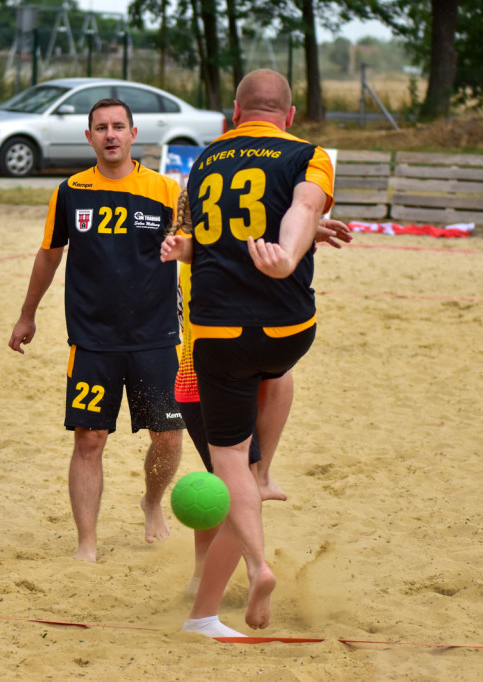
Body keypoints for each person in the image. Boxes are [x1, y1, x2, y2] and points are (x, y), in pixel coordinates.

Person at [161, 69, 334, 632]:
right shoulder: (308, 154)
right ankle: (261, 478)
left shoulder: (205, 161)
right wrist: (292, 252)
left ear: (234, 114)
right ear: (290, 115)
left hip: (215, 338)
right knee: (276, 372)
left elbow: (225, 232)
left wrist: (294, 243)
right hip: (288, 328)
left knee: (230, 466)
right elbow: (301, 208)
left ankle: (252, 566)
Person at [8, 98, 185, 563]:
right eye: (101, 127)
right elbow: (49, 254)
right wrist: (27, 314)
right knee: (89, 440)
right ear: (89, 137)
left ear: (133, 134)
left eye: (118, 126)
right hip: (92, 339)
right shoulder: (70, 191)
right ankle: (86, 542)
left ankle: (152, 501)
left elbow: (194, 249)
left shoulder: (166, 190)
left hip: (156, 336)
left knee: (168, 437)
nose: (110, 134)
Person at [174, 184, 351, 637]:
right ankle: (204, 615)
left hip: (203, 381)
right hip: (208, 381)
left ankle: (199, 576)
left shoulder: (206, 255)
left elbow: (236, 245)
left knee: (223, 485)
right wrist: (302, 237)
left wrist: (307, 234)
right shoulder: (212, 260)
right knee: (242, 494)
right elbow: (247, 250)